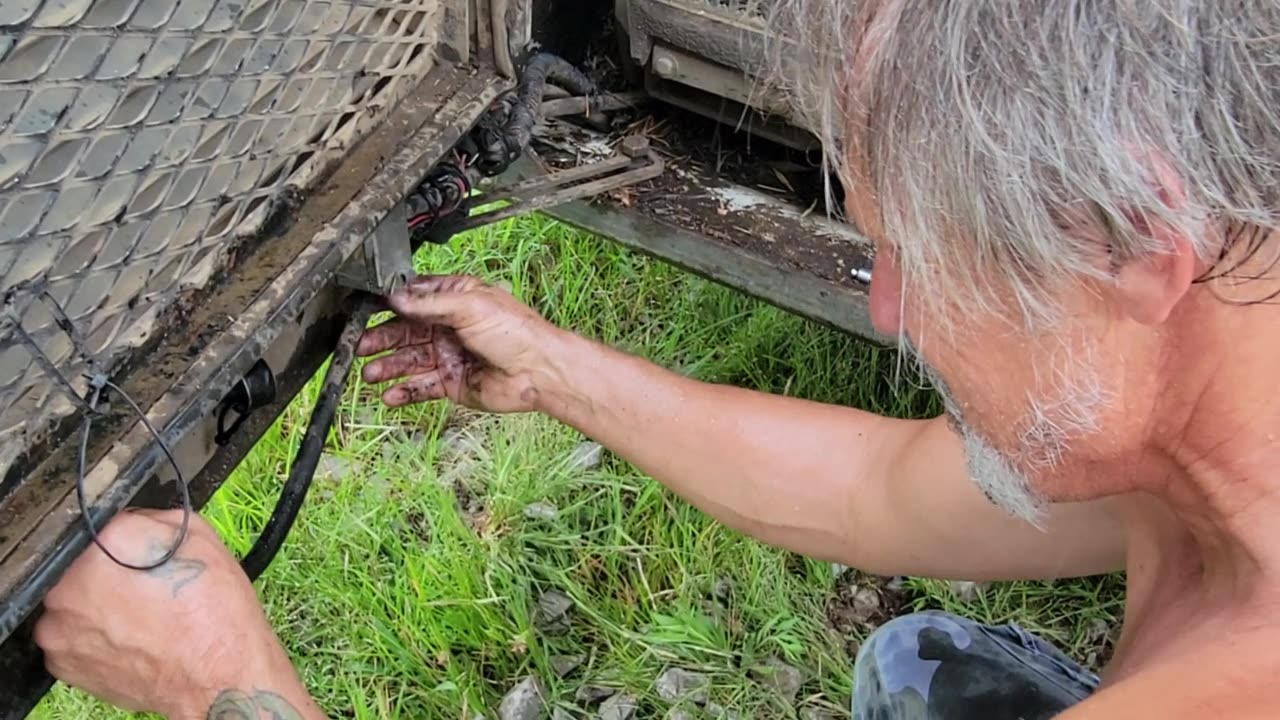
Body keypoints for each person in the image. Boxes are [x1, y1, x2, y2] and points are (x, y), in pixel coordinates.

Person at [31, 2, 1280, 718]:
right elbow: (879, 494)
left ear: (1130, 243)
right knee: (911, 672)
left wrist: (224, 689)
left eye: (920, 259)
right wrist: (552, 369)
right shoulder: (1222, 388)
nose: (888, 309)